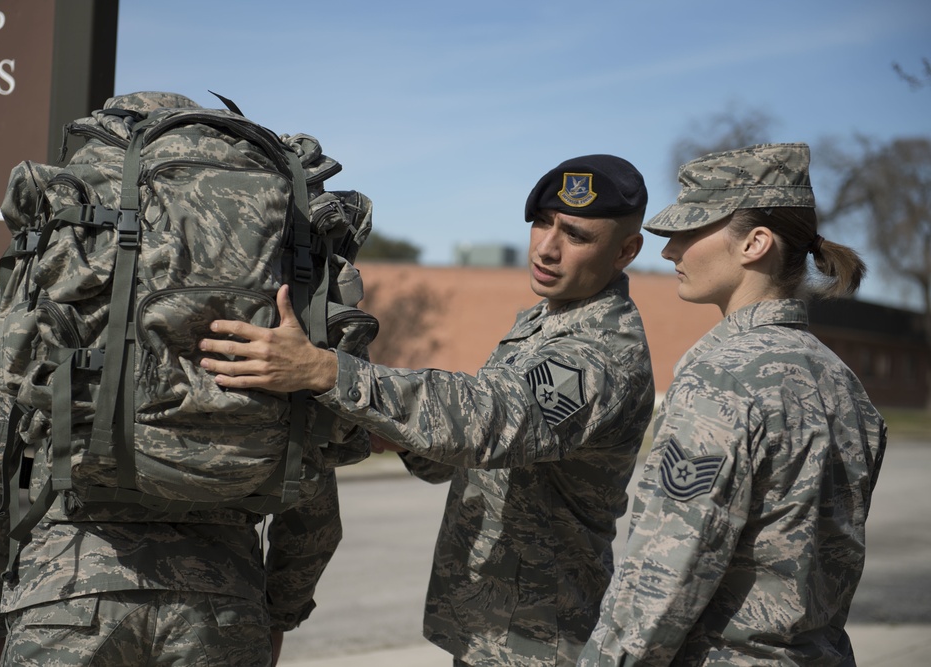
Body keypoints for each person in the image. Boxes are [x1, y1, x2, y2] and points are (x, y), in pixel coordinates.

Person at [198, 154, 657, 666]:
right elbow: (460, 455)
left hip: (539, 641)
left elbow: (490, 420)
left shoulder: (600, 353)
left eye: (575, 236)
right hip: (492, 627)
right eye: (542, 224)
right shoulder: (541, 323)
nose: (547, 248)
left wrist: (325, 371)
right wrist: (382, 426)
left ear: (626, 251)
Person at [0, 286, 363, 666]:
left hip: (61, 600)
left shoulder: (46, 278)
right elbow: (311, 488)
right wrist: (276, 616)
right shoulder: (279, 298)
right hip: (224, 609)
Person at [578, 143, 888, 666]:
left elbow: (660, 581)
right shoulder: (843, 382)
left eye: (690, 232)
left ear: (755, 244)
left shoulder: (722, 378)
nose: (670, 251)